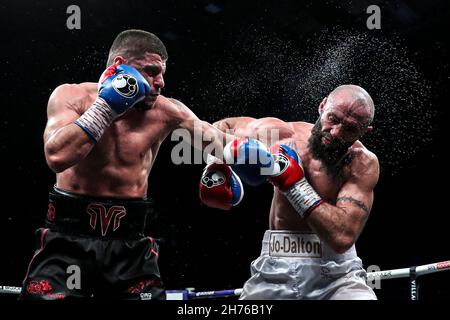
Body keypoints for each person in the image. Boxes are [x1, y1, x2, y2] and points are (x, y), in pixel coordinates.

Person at [20, 29, 271, 300]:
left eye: (162, 73)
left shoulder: (167, 111)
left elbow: (218, 142)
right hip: (66, 240)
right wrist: (107, 106)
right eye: (151, 71)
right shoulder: (72, 96)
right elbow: (57, 157)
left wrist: (266, 162)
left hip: (130, 248)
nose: (160, 82)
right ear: (119, 67)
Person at [200, 85, 379, 299]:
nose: (336, 132)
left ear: (364, 131)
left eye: (350, 128)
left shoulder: (362, 163)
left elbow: (341, 237)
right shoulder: (282, 134)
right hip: (274, 268)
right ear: (322, 106)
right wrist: (215, 165)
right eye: (333, 118)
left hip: (337, 276)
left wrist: (294, 185)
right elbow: (223, 127)